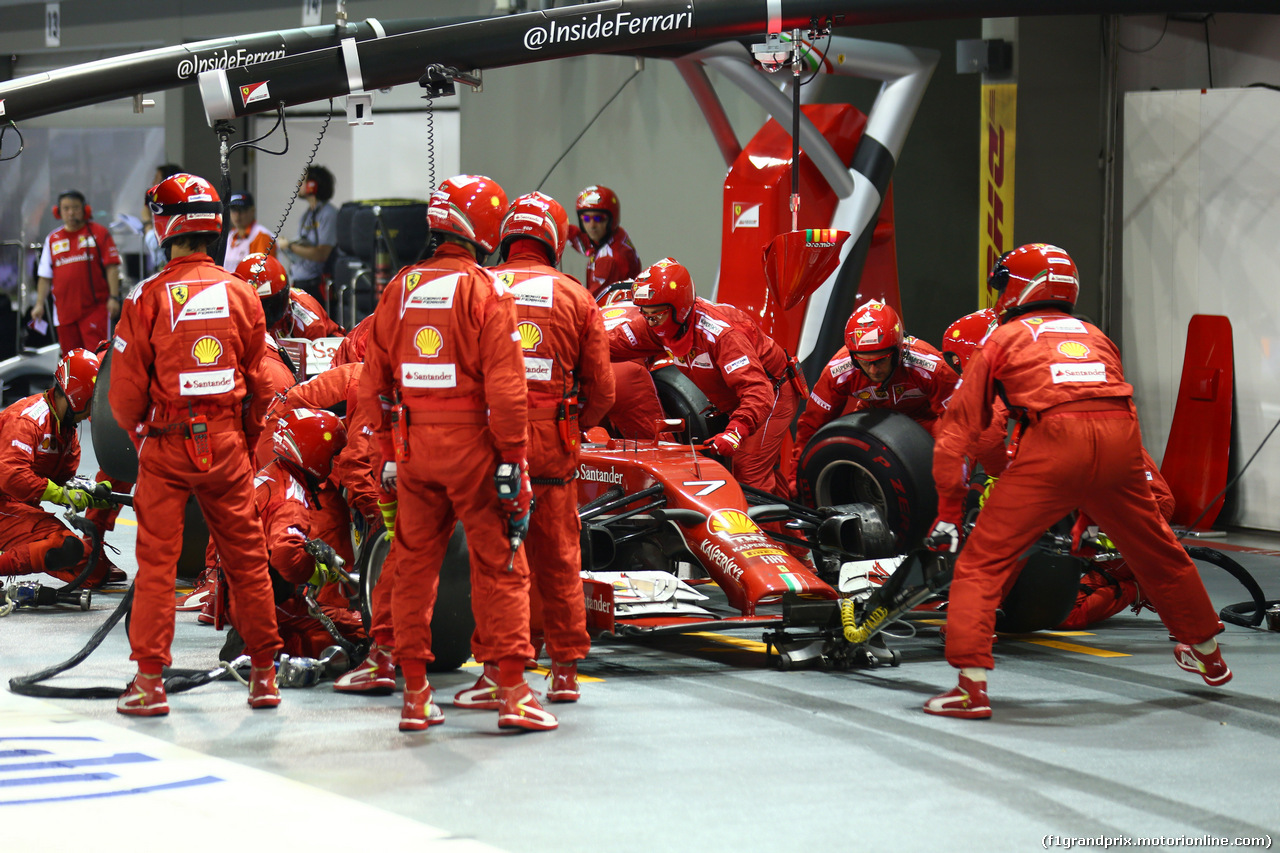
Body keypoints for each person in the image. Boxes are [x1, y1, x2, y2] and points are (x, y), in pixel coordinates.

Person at [925, 243, 1232, 719]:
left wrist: (947, 513)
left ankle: (970, 689)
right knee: (1160, 555)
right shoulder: (1095, 334)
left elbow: (957, 433)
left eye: (1003, 280)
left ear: (1019, 285)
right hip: (1121, 446)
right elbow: (1107, 409)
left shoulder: (1003, 339)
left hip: (1053, 446)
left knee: (981, 564)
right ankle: (1209, 657)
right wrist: (1090, 514)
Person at [361, 174, 553, 733]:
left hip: (413, 449)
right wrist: (513, 460)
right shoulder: (488, 292)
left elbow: (372, 381)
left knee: (414, 569)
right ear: (483, 226)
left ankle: (416, 695)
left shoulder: (399, 288)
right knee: (501, 565)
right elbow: (508, 390)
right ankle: (512, 691)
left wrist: (384, 452)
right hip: (474, 450)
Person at [109, 172, 282, 717]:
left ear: (167, 223)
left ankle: (150, 684)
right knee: (247, 558)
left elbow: (124, 396)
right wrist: (243, 439)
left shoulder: (147, 296)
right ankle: (263, 676)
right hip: (228, 443)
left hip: (165, 443)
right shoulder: (241, 294)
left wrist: (143, 436)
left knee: (157, 565)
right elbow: (260, 381)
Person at [454, 191, 614, 708]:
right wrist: (570, 424)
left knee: (493, 563)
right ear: (554, 238)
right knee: (560, 562)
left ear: (504, 236)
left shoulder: (475, 288)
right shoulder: (576, 296)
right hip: (553, 453)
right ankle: (563, 671)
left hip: (488, 449)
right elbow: (603, 392)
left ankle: (497, 668)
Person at [610, 258, 804, 496]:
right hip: (740, 397)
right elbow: (612, 342)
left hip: (771, 393)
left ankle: (757, 532)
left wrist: (736, 430)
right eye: (645, 313)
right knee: (764, 475)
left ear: (678, 308)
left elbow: (757, 391)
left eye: (655, 315)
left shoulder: (722, 335)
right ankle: (789, 532)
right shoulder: (659, 324)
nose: (650, 322)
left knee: (749, 473)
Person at [252, 407, 363, 658]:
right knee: (352, 634)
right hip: (261, 602)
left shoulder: (272, 474)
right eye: (334, 453)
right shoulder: (290, 497)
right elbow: (285, 556)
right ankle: (262, 653)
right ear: (315, 452)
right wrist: (318, 575)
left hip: (250, 592)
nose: (336, 460)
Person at [0, 349, 117, 586]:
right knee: (64, 547)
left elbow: (64, 481)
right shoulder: (28, 420)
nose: (91, 412)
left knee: (92, 570)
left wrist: (92, 494)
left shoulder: (66, 431)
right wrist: (59, 493)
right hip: (4, 504)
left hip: (17, 510)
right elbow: (11, 475)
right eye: (92, 402)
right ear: (79, 396)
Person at [34, 190, 122, 354]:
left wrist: (114, 297)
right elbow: (45, 276)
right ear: (58, 212)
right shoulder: (52, 239)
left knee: (98, 359)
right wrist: (39, 304)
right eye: (66, 208)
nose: (71, 212)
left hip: (95, 310)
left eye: (75, 207)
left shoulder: (99, 233)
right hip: (64, 313)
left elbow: (112, 267)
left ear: (85, 210)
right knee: (71, 362)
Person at [236, 252, 344, 342]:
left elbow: (320, 364)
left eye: (272, 306)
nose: (265, 314)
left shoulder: (307, 320)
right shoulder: (233, 313)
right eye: (259, 306)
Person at [566, 184, 641, 303]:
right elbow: (586, 244)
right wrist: (561, 228)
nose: (592, 226)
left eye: (598, 219)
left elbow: (590, 303)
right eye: (586, 219)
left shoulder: (609, 260)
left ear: (611, 219)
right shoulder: (614, 235)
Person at [277, 165, 337, 304]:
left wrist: (290, 247)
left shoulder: (328, 214)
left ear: (312, 185)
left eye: (303, 181)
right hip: (301, 282)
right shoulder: (307, 215)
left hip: (317, 286)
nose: (299, 184)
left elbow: (321, 254)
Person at [143, 163, 184, 276]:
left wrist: (147, 221)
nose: (152, 183)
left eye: (157, 179)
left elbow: (156, 246)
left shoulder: (177, 215)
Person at [221, 191, 276, 272]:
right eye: (233, 210)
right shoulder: (230, 236)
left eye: (242, 210)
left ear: (252, 211)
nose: (237, 214)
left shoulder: (260, 236)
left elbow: (261, 271)